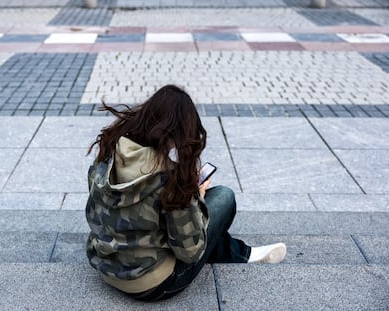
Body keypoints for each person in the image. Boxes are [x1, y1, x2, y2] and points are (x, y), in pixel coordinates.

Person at [85, 85, 286, 301]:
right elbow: (190, 252)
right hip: (153, 284)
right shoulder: (169, 178)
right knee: (224, 197)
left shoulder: (111, 150)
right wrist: (194, 196)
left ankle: (241, 252)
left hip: (106, 267)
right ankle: (240, 253)